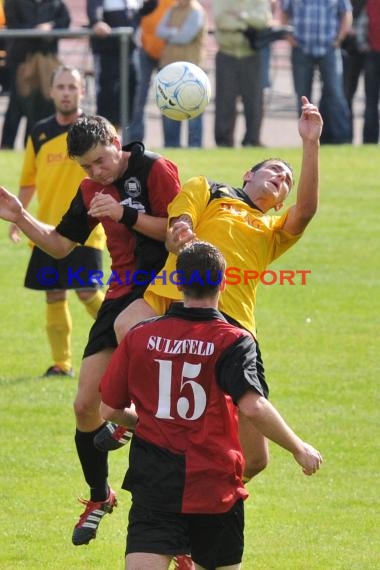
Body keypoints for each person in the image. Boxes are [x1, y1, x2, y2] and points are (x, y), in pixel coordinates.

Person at [0, 114, 181, 545]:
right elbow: (59, 244)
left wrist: (125, 213)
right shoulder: (91, 187)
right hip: (120, 297)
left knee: (143, 410)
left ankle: (176, 532)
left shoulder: (156, 170)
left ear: (115, 141)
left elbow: (178, 234)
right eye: (86, 167)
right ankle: (100, 495)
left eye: (100, 161)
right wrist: (20, 217)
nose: (95, 173)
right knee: (86, 406)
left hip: (164, 294)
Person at [110, 96, 323, 483]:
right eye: (275, 170)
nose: (281, 180)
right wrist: (182, 231)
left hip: (232, 325)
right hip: (175, 297)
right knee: (126, 323)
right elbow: (182, 215)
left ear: (280, 204)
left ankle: (206, 503)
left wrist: (310, 143)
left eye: (286, 183)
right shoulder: (208, 189)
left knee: (254, 459)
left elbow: (305, 211)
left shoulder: (272, 230)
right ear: (248, 174)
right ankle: (141, 419)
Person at [99, 241, 323, 570]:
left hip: (155, 486)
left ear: (176, 281)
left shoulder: (140, 336)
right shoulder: (233, 340)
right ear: (223, 282)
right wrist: (298, 447)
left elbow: (109, 410)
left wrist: (146, 420)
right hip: (214, 488)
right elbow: (252, 407)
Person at [8, 65, 106, 377]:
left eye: (72, 87)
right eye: (60, 87)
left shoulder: (98, 130)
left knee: (87, 292)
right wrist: (17, 218)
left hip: (86, 230)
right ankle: (61, 364)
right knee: (54, 293)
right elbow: (28, 181)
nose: (66, 93)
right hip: (46, 230)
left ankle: (127, 337)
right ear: (51, 92)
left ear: (83, 92)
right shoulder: (39, 132)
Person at [0, 0, 71, 149]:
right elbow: (11, 23)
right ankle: (6, 145)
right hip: (21, 60)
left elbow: (65, 20)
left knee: (42, 106)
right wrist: (35, 29)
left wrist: (50, 27)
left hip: (46, 59)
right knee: (17, 104)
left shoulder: (55, 3)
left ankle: (32, 146)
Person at [281, 0, 353, 145]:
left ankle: (341, 138)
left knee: (335, 93)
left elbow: (346, 13)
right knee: (303, 97)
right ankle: (307, 138)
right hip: (301, 49)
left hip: (329, 48)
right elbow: (284, 12)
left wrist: (339, 38)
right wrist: (288, 37)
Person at [213, 0, 272, 147]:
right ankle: (224, 142)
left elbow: (262, 20)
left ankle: (252, 140)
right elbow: (220, 21)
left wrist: (239, 16)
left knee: (254, 101)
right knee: (224, 101)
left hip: (251, 55)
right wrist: (245, 25)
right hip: (227, 54)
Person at [87, 0, 149, 131]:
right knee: (108, 95)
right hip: (108, 53)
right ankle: (104, 136)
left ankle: (124, 136)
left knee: (133, 91)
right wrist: (97, 22)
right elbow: (94, 8)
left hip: (130, 51)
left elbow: (146, 9)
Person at [156, 0, 208, 148]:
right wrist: (174, 32)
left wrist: (170, 33)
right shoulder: (172, 9)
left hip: (192, 71)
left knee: (193, 111)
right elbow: (159, 31)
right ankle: (171, 146)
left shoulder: (196, 11)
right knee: (169, 108)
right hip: (170, 69)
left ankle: (194, 146)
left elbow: (185, 37)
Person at [127, 0, 176, 143]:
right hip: (145, 49)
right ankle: (134, 142)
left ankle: (171, 143)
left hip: (169, 51)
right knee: (138, 97)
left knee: (169, 99)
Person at [362, 0, 380, 144]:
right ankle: (369, 141)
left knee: (370, 102)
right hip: (373, 54)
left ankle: (369, 141)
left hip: (373, 53)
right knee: (370, 103)